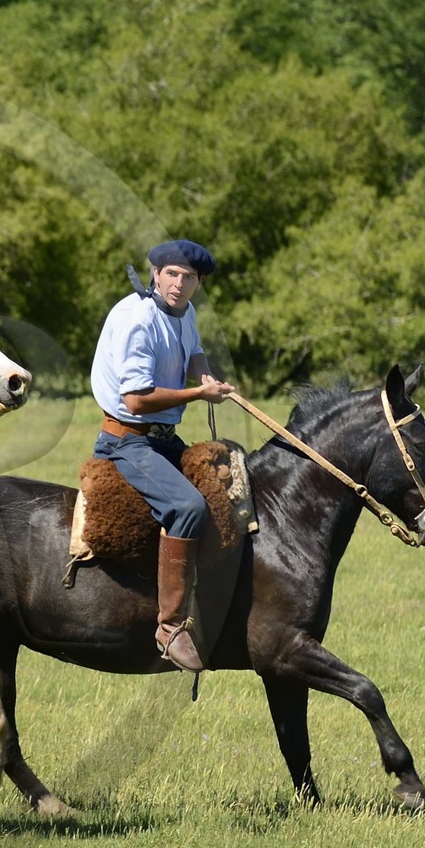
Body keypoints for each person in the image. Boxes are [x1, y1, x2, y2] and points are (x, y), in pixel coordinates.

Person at [90, 239, 235, 672]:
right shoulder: (138, 319)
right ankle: (169, 626)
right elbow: (135, 400)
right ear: (155, 274)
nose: (178, 283)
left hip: (162, 437)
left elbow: (193, 351)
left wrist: (206, 374)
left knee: (225, 483)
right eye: (171, 274)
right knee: (188, 507)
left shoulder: (184, 310)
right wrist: (199, 392)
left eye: (188, 277)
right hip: (126, 440)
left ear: (199, 283)